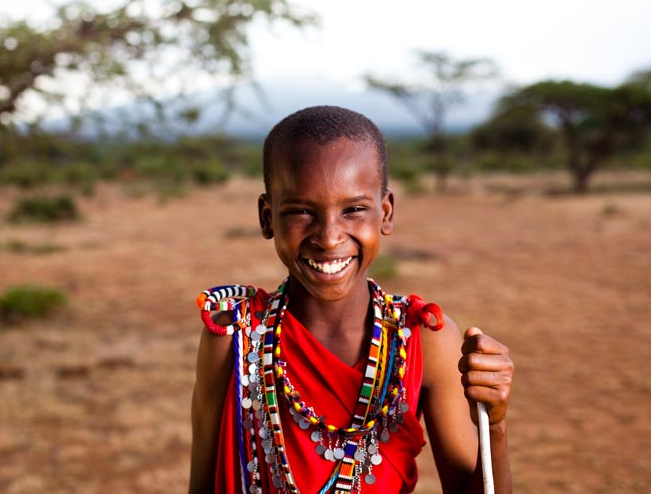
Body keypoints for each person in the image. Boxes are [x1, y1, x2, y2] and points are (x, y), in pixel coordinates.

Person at [190, 106, 514, 493]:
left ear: (386, 213)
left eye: (354, 210)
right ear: (267, 217)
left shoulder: (424, 339)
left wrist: (493, 425)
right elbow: (203, 484)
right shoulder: (234, 339)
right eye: (301, 211)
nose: (328, 237)